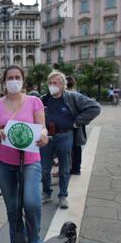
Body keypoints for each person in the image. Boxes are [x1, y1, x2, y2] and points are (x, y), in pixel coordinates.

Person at [0, 65, 51, 243]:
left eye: (17, 77)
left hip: (30, 161)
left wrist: (44, 136)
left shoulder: (34, 102)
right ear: (4, 82)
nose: (13, 80)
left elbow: (42, 128)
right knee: (13, 207)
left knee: (31, 202)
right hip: (2, 162)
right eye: (9, 78)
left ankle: (36, 240)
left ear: (23, 80)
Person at [40, 71, 101, 209]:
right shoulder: (43, 99)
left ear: (62, 85)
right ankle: (46, 193)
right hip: (47, 137)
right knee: (44, 169)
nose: (51, 86)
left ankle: (63, 196)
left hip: (65, 136)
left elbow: (95, 108)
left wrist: (77, 122)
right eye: (49, 83)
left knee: (64, 168)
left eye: (54, 83)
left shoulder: (72, 97)